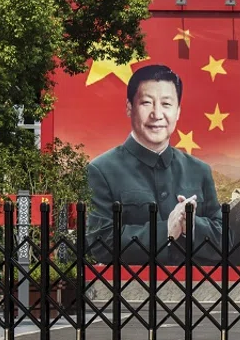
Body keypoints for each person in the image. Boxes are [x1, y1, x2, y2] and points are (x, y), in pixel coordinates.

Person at [84, 64, 225, 265]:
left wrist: (192, 226)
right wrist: (166, 230)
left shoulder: (199, 170)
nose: (157, 114)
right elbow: (98, 244)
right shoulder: (102, 170)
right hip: (128, 292)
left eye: (166, 104)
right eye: (147, 103)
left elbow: (224, 242)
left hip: (194, 292)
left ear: (178, 111)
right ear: (129, 107)